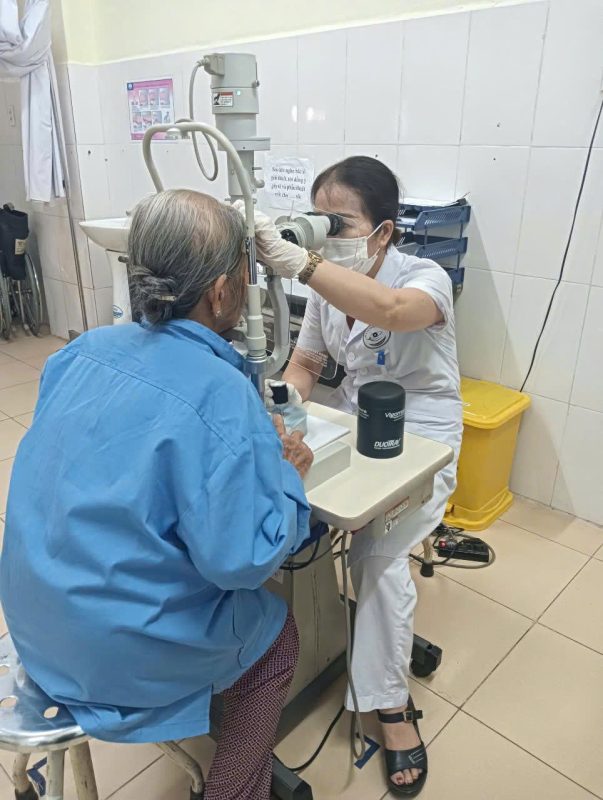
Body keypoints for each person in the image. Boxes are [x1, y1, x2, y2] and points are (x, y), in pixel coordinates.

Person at [0, 189, 314, 800]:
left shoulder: (82, 351)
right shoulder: (220, 391)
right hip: (109, 656)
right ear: (222, 292)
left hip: (33, 623)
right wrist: (285, 474)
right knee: (277, 637)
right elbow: (242, 562)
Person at [252, 156, 462, 797]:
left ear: (383, 231)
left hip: (422, 431)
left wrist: (306, 264)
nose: (324, 235)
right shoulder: (327, 288)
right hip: (356, 418)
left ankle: (391, 707)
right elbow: (308, 362)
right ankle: (305, 638)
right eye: (316, 221)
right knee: (298, 502)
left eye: (337, 223)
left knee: (379, 555)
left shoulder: (423, 278)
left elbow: (394, 312)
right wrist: (284, 402)